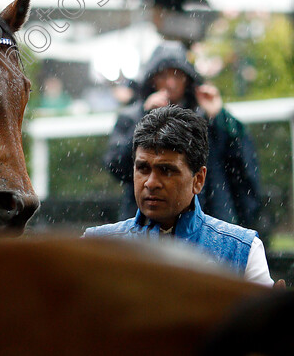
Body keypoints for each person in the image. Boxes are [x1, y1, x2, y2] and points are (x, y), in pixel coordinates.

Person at [86, 105, 276, 287]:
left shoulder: (241, 250)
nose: (151, 183)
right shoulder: (94, 247)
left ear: (198, 179)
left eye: (166, 170)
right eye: (142, 168)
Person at [103, 42, 263, 228]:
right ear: (152, 79)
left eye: (176, 74)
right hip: (149, 221)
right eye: (163, 75)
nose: (170, 82)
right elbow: (117, 166)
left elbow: (241, 162)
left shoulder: (206, 113)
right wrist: (145, 118)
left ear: (188, 78)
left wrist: (219, 118)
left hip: (208, 219)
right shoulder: (133, 115)